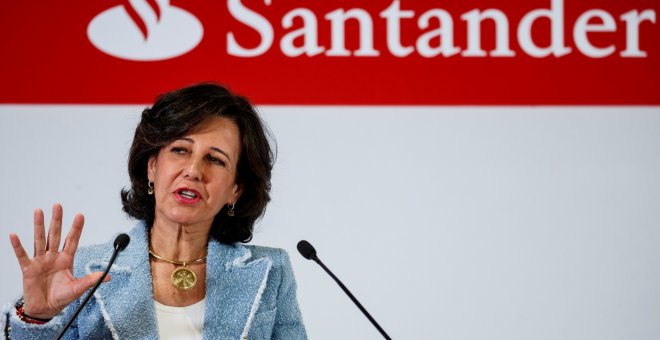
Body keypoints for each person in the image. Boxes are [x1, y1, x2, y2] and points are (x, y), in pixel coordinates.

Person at [1, 83, 307, 339]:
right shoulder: (84, 271)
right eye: (180, 150)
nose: (193, 170)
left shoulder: (271, 271)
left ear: (235, 190)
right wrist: (37, 319)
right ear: (152, 167)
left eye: (215, 159)